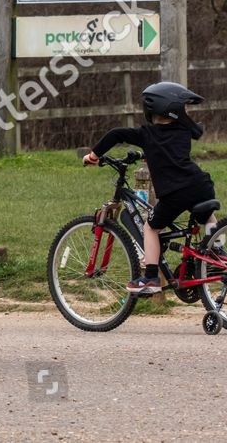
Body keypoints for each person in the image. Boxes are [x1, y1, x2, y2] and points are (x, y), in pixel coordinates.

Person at [83, 81, 216, 295]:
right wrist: (147, 155)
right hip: (201, 185)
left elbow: (116, 134)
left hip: (176, 193)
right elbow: (169, 151)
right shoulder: (183, 130)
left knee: (151, 227)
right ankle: (216, 253)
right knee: (208, 217)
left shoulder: (147, 135)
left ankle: (151, 278)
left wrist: (94, 155)